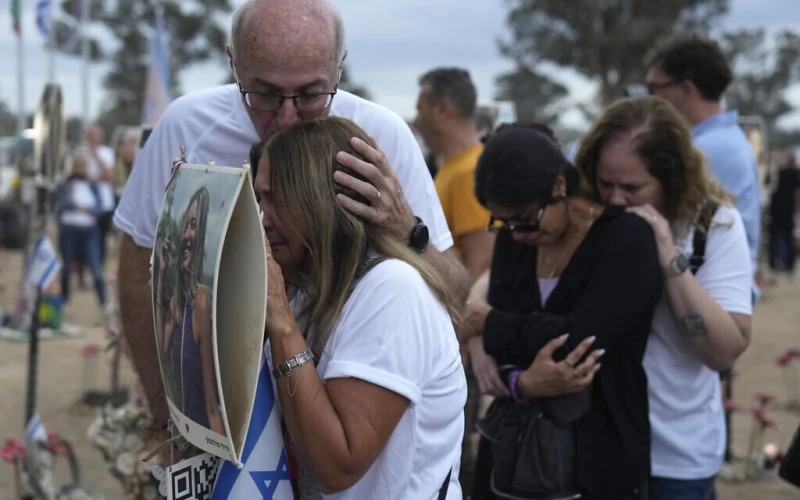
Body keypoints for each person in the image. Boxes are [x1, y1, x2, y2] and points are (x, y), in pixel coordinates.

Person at [113, 0, 469, 433]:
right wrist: (164, 415)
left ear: (339, 68)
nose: (285, 117)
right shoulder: (187, 127)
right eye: (263, 93)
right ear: (233, 63)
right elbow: (139, 274)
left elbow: (453, 293)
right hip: (218, 415)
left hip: (340, 413)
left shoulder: (382, 139)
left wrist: (406, 230)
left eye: (310, 94)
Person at [255, 116, 466, 498]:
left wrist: (280, 320)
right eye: (258, 198)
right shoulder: (310, 286)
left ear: (319, 201)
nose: (262, 219)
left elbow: (339, 465)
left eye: (275, 200)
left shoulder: (392, 289)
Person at [461, 123, 663, 500]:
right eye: (502, 222)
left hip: (599, 458)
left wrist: (485, 322)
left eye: (525, 218)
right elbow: (511, 350)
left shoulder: (625, 241)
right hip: (511, 464)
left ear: (558, 186)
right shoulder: (514, 239)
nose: (517, 233)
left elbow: (581, 342)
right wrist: (522, 382)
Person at [574, 96, 752, 500]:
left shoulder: (714, 226)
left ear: (672, 181)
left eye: (633, 187)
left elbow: (723, 352)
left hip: (676, 459)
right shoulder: (583, 214)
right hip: (594, 449)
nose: (616, 199)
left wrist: (670, 257)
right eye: (606, 183)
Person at [413, 67, 496, 483]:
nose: (416, 118)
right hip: (451, 335)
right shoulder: (454, 168)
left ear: (443, 109)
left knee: (452, 463)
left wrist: (460, 337)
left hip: (457, 341)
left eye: (421, 107)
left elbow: (481, 264)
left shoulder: (467, 173)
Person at [645, 33, 760, 296]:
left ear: (686, 89)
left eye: (654, 88)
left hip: (704, 295)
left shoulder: (701, 151)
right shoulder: (730, 141)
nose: (650, 99)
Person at [153, 186, 226, 436]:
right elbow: (162, 350)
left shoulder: (201, 301)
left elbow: (211, 402)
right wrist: (162, 274)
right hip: (182, 434)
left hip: (202, 437)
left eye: (194, 225)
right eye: (185, 225)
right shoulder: (178, 299)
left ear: (202, 233)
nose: (186, 234)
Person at [56, 153, 106, 306]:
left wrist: (82, 208)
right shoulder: (65, 184)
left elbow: (99, 208)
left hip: (89, 231)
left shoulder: (92, 185)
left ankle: (103, 301)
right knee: (66, 266)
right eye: (77, 165)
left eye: (83, 165)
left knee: (96, 267)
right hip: (69, 230)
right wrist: (79, 207)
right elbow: (62, 204)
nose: (80, 168)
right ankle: (64, 299)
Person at [82, 123, 117, 267]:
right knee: (84, 239)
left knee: (102, 239)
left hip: (104, 204)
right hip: (86, 204)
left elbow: (109, 176)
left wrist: (96, 156)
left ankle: (99, 269)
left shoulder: (107, 153)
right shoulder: (81, 153)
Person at [768, 152, 800, 274]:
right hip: (785, 211)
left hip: (779, 211)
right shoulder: (790, 174)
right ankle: (786, 265)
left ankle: (778, 263)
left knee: (777, 237)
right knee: (784, 237)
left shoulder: (781, 174)